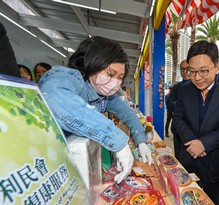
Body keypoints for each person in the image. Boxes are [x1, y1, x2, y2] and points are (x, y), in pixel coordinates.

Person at [38, 36, 153, 184]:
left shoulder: (104, 95)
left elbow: (129, 114)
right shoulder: (68, 76)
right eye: (110, 74)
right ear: (92, 64)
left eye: (120, 77)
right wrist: (116, 140)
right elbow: (55, 98)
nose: (115, 82)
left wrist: (141, 141)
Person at [173, 40, 219, 205]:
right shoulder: (184, 89)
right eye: (192, 71)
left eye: (203, 71)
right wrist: (192, 142)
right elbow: (178, 118)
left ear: (217, 67)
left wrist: (204, 144)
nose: (197, 77)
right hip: (188, 159)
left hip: (214, 164)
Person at [167, 59, 191, 159]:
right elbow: (169, 103)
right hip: (177, 129)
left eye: (187, 69)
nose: (184, 72)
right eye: (182, 69)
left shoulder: (198, 86)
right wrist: (183, 105)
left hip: (191, 132)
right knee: (178, 157)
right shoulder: (177, 87)